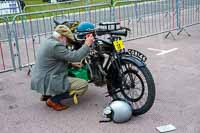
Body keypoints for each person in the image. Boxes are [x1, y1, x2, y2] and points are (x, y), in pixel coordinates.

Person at [31, 25, 94, 111]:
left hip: (40, 77)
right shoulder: (56, 46)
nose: (68, 43)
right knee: (82, 85)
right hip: (48, 79)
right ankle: (53, 100)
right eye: (67, 40)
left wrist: (71, 64)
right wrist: (87, 44)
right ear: (62, 37)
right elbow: (76, 57)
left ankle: (47, 94)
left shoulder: (49, 40)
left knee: (69, 75)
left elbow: (53, 62)